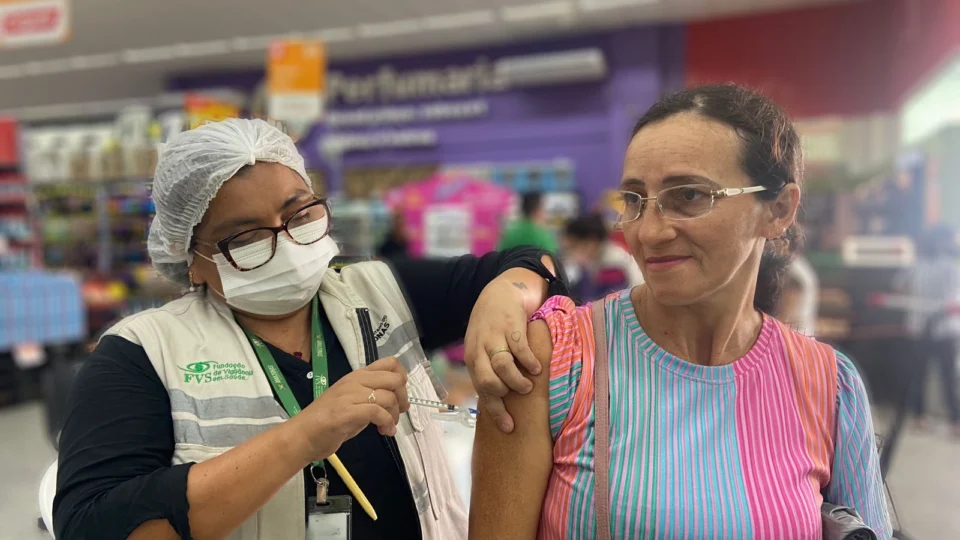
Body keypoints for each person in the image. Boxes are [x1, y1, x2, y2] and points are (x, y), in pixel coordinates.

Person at [53, 119, 564, 540]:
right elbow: (90, 525)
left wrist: (505, 294)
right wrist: (303, 436)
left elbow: (531, 265)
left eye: (299, 213)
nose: (287, 245)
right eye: (246, 237)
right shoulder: (142, 353)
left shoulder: (378, 289)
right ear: (190, 259)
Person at [470, 84, 892, 539]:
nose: (649, 232)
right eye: (634, 200)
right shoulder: (552, 359)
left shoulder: (827, 385)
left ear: (778, 209)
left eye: (689, 196)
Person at [896, 224, 960, 435]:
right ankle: (954, 421)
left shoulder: (918, 264)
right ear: (942, 241)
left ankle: (920, 416)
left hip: (925, 327)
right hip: (938, 329)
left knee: (921, 374)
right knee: (945, 375)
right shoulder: (948, 266)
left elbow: (899, 285)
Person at [562, 213, 644, 302]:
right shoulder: (598, 260)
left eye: (573, 247)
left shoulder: (613, 267)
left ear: (591, 242)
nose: (571, 254)